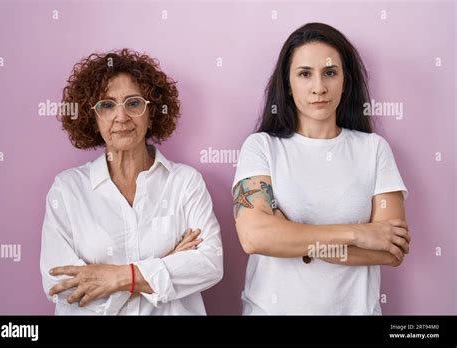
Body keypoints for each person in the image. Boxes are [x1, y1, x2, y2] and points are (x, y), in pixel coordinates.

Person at [233, 23, 410, 315]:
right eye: (305, 74)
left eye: (330, 72)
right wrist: (357, 234)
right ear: (287, 84)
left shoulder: (374, 149)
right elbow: (255, 237)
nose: (319, 87)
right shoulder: (261, 147)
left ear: (345, 80)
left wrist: (291, 234)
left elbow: (390, 250)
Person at [40, 49, 223, 315]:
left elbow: (209, 263)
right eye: (107, 105)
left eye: (134, 103)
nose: (122, 117)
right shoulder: (67, 190)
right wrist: (164, 266)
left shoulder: (185, 183)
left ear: (152, 113)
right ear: (93, 117)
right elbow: (62, 285)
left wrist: (119, 278)